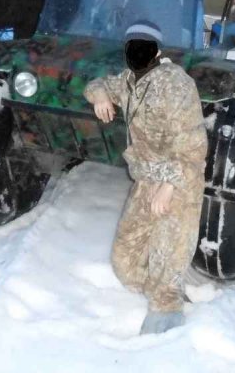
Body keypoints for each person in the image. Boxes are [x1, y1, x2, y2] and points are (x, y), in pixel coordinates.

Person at [83, 20, 208, 334]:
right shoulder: (128, 81)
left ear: (157, 50)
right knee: (124, 262)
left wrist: (169, 186)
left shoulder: (175, 83)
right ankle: (162, 284)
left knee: (168, 255)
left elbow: (193, 145)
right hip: (146, 180)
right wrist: (99, 95)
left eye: (145, 46)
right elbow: (97, 84)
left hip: (178, 181)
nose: (138, 52)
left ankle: (166, 312)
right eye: (132, 47)